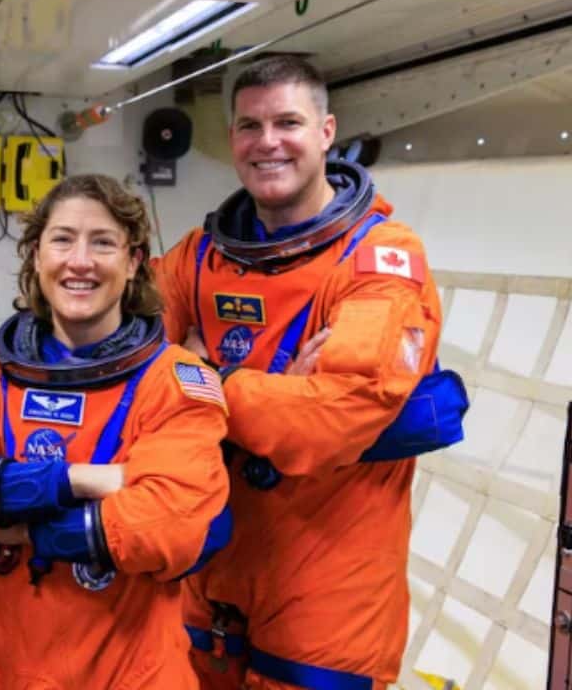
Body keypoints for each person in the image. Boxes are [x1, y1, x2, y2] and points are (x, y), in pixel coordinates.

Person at [153, 55, 464, 689]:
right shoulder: (197, 258)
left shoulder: (380, 259)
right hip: (207, 573)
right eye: (249, 126)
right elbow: (128, 380)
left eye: (287, 122)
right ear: (232, 139)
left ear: (326, 132)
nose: (267, 142)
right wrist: (282, 392)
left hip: (329, 590)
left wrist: (207, 377)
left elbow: (331, 419)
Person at [0, 174, 231, 689]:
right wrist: (84, 480)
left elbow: (169, 525)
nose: (80, 261)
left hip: (129, 675)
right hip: (1, 672)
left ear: (133, 262)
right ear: (37, 255)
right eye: (62, 239)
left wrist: (26, 529)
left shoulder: (174, 381)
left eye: (102, 242)